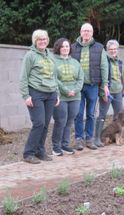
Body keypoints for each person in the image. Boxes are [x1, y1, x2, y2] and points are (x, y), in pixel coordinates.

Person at [20, 29, 59, 164]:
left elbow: (55, 76)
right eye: (39, 39)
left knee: (46, 124)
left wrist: (57, 93)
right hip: (36, 93)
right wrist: (26, 95)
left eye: (44, 39)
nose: (42, 41)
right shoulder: (30, 56)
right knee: (39, 123)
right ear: (35, 41)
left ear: (47, 40)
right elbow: (23, 77)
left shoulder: (50, 56)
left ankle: (40, 151)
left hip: (51, 94)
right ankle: (28, 153)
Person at [71, 22, 109, 150]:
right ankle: (78, 139)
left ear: (92, 33)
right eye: (84, 31)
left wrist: (104, 85)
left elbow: (104, 67)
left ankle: (89, 139)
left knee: (91, 114)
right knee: (78, 113)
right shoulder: (73, 47)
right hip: (78, 87)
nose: (86, 33)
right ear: (80, 32)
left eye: (88, 31)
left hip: (93, 86)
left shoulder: (99, 48)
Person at [51, 38, 84, 156]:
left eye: (67, 46)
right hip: (61, 96)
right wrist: (66, 90)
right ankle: (56, 147)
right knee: (61, 121)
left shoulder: (75, 62)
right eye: (63, 46)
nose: (65, 48)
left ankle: (65, 145)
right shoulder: (53, 61)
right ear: (58, 48)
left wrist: (75, 90)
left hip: (75, 96)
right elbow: (54, 78)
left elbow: (81, 78)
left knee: (69, 121)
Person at [94, 39, 124, 147]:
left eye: (115, 49)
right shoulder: (105, 61)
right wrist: (102, 91)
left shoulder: (119, 62)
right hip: (107, 92)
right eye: (110, 49)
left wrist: (122, 89)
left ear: (117, 50)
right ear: (107, 50)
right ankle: (97, 138)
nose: (113, 51)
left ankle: (115, 138)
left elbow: (120, 77)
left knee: (118, 116)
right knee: (102, 115)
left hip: (118, 92)